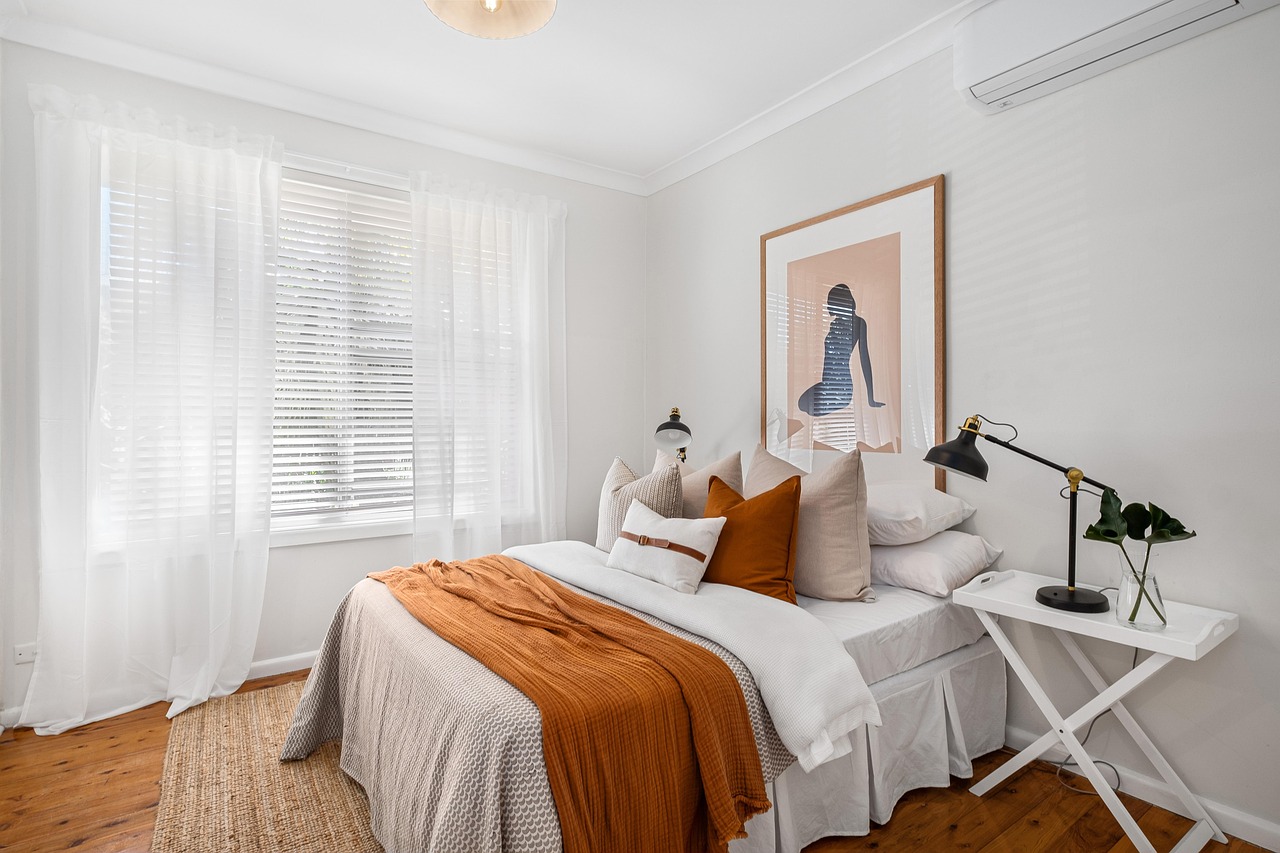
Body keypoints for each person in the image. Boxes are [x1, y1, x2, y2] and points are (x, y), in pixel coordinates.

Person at [798, 283, 884, 417]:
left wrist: (870, 398)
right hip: (828, 384)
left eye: (830, 303)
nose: (828, 307)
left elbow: (864, 360)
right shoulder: (835, 324)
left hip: (840, 388)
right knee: (802, 404)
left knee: (807, 406)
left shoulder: (859, 323)